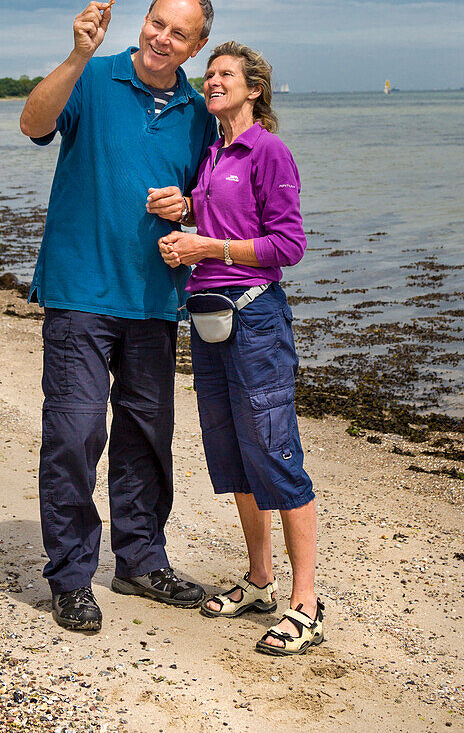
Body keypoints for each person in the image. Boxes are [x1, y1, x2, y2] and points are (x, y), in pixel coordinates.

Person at [20, 0, 218, 632]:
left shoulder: (198, 114)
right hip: (79, 289)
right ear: (144, 22)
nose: (162, 39)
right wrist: (76, 54)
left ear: (197, 46)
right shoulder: (93, 75)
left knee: (145, 439)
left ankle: (139, 561)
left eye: (178, 33)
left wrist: (186, 209)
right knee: (74, 435)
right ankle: (72, 577)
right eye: (156, 24)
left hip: (154, 300)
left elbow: (208, 203)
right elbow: (33, 123)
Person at [157, 41, 324, 656]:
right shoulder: (211, 154)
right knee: (232, 456)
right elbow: (216, 229)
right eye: (210, 75)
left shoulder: (268, 150)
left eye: (225, 74)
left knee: (275, 453)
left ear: (254, 88)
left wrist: (209, 249)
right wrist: (182, 227)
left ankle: (306, 603)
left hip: (255, 320)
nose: (213, 82)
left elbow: (287, 246)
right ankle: (260, 581)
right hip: (207, 321)